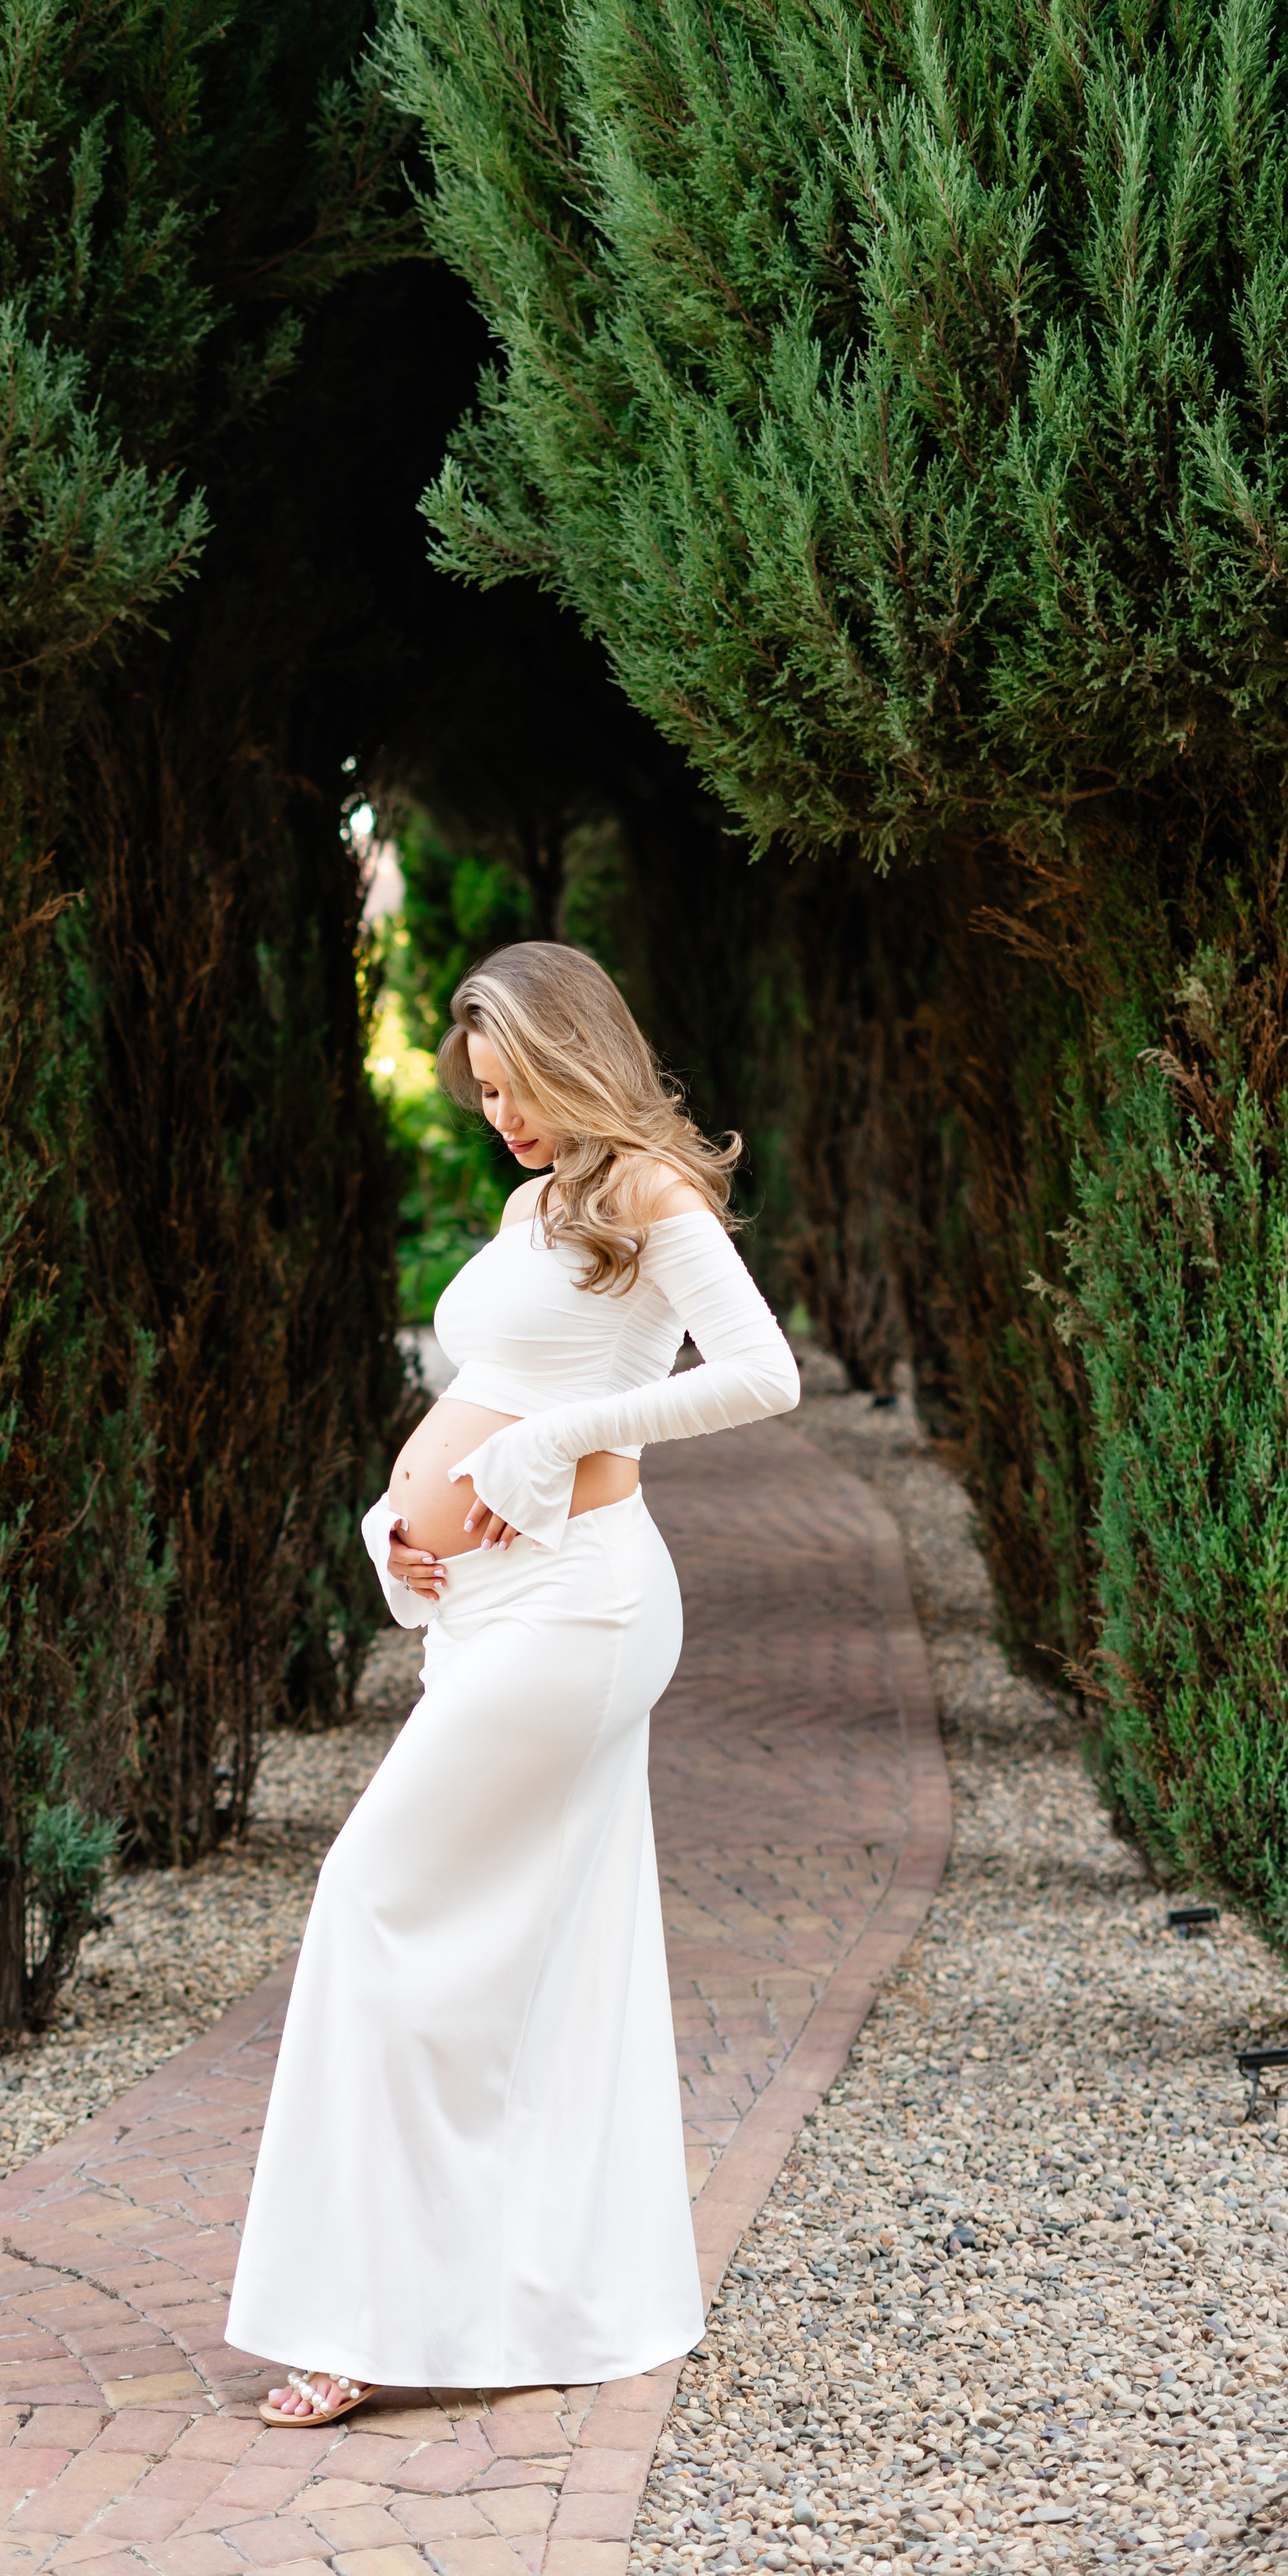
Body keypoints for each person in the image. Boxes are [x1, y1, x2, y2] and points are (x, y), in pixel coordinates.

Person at [227, 940, 800, 2423]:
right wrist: (399, 1530)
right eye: (481, 1092)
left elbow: (759, 1374)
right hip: (488, 1606)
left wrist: (544, 1448)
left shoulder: (647, 1194)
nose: (501, 1115)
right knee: (526, 1956)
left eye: (518, 1085)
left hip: (581, 1607)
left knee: (371, 1900)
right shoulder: (525, 1204)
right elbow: (472, 1393)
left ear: (574, 1055)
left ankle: (358, 2314)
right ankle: (533, 2291)